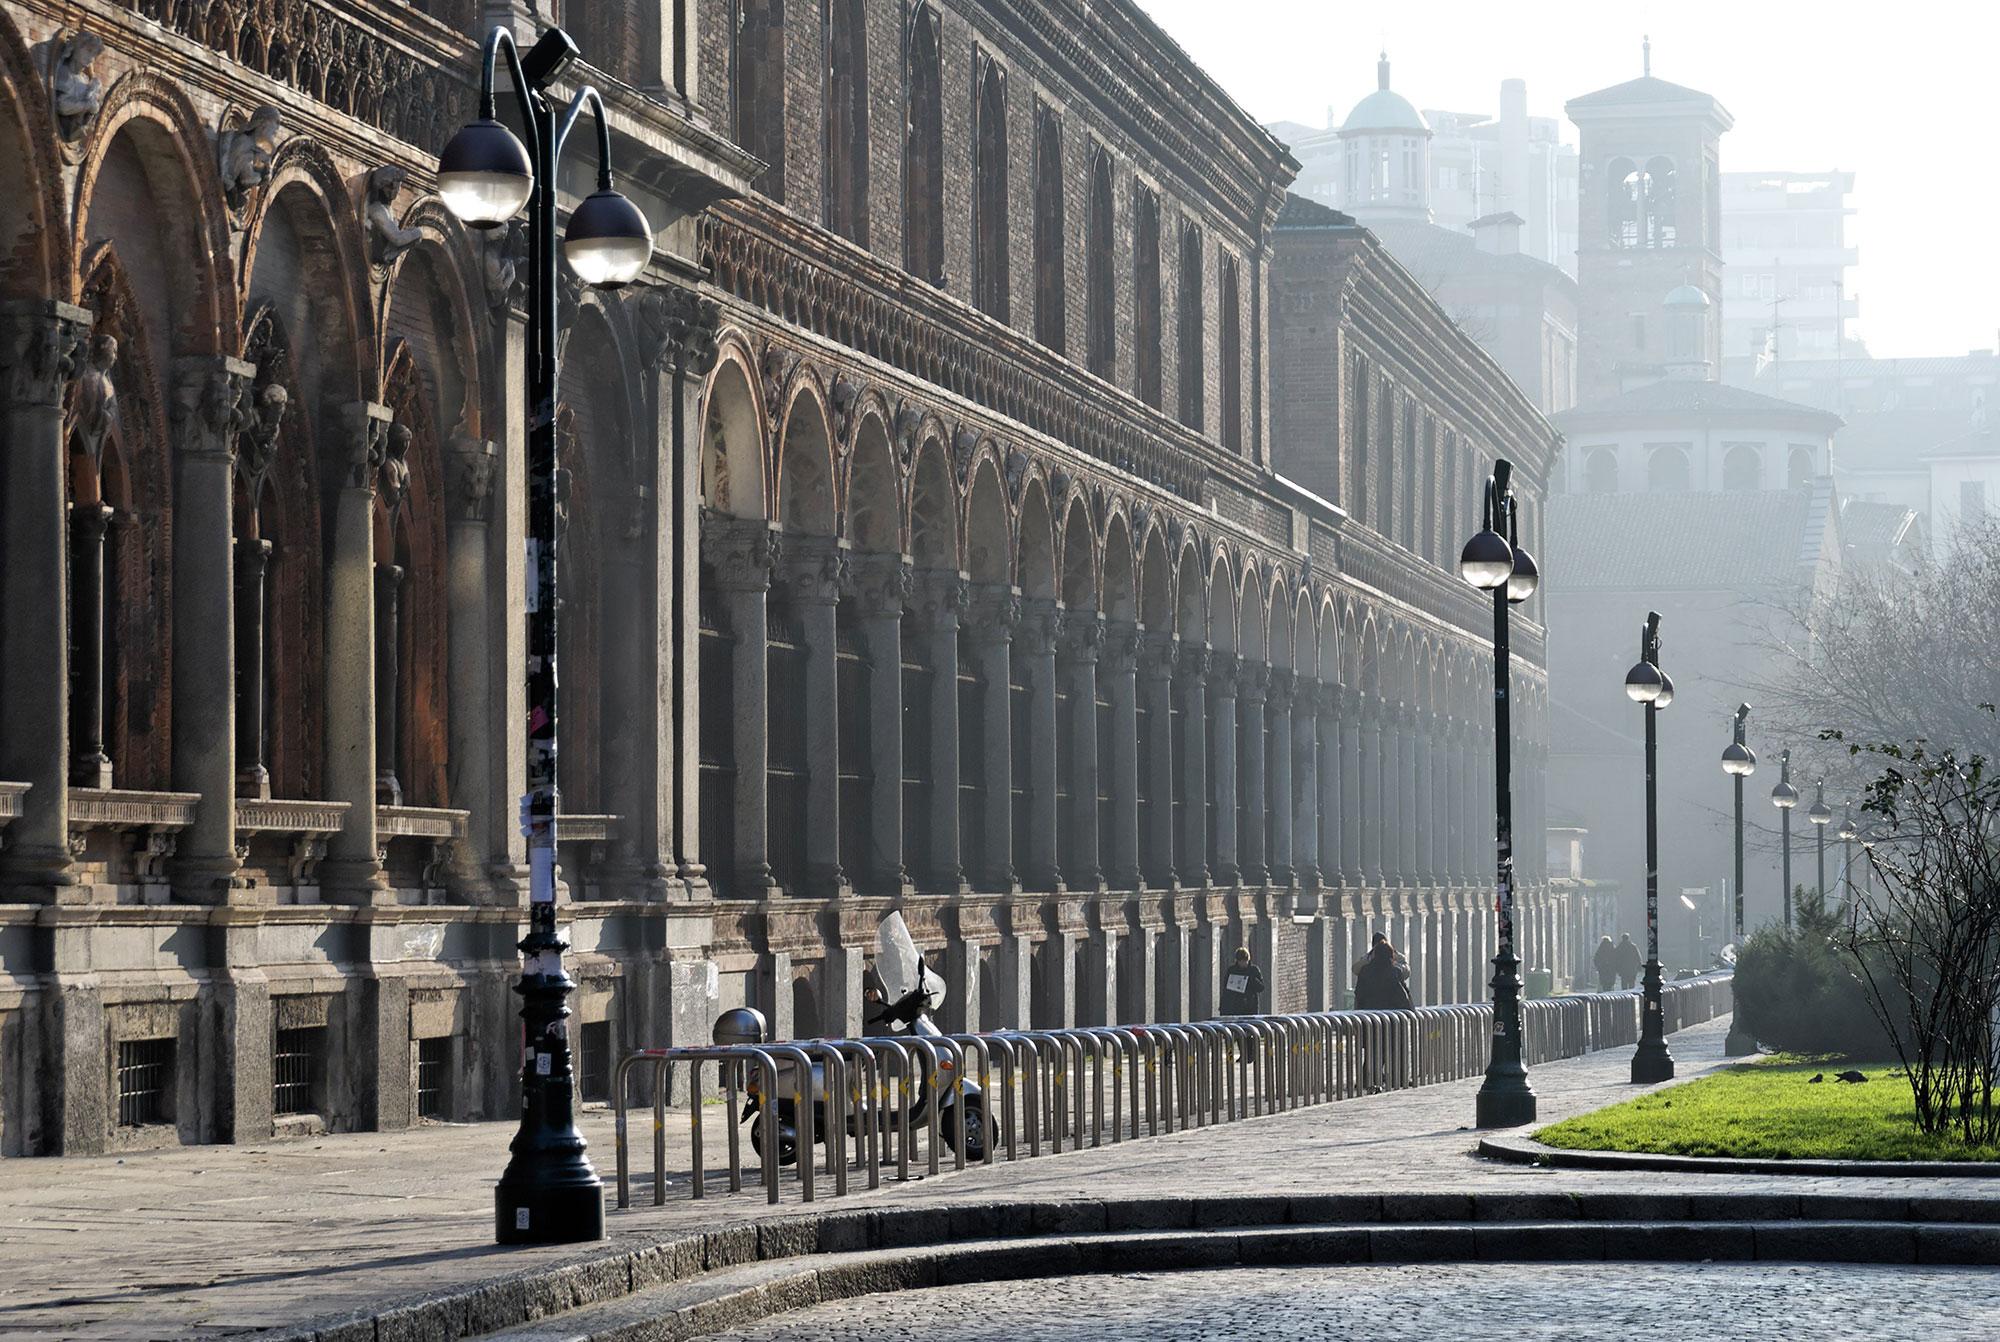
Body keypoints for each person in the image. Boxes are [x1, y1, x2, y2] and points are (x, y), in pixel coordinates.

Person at [1353, 939, 1414, 1012]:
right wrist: (1411, 1010)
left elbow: (1359, 994)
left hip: (1368, 1016)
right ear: (1391, 956)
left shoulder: (1365, 971)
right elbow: (1404, 996)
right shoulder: (1395, 972)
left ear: (1375, 955)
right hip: (1390, 1017)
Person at [1218, 947, 1265, 1015]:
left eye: (1245, 961)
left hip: (1250, 1007)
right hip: (1234, 1007)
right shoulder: (1232, 970)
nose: (1243, 963)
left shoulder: (1253, 970)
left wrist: (1251, 978)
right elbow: (1226, 988)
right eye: (1241, 961)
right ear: (1237, 961)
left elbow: (1261, 987)